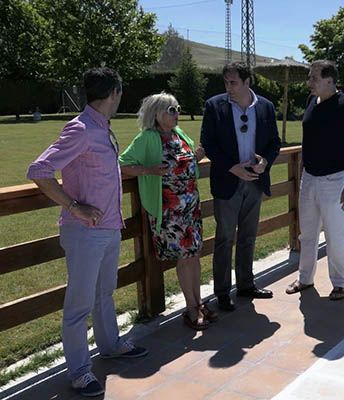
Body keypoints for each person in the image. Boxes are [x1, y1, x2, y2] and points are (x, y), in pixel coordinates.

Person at [26, 67, 148, 397]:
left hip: (108, 228)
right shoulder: (80, 129)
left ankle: (110, 345)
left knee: (104, 292)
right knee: (79, 305)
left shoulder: (102, 128)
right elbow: (39, 170)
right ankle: (80, 371)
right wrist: (73, 206)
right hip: (84, 232)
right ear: (114, 93)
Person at [119, 93, 215, 330]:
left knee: (194, 255)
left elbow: (184, 163)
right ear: (156, 114)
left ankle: (198, 302)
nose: (176, 113)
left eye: (177, 108)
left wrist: (197, 157)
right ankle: (191, 308)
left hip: (190, 207)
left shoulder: (178, 134)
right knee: (184, 257)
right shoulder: (147, 138)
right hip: (169, 210)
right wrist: (148, 170)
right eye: (171, 110)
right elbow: (121, 164)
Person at [200, 62, 281, 311]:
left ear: (247, 82)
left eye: (233, 82)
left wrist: (265, 162)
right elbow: (208, 143)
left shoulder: (266, 106)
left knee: (248, 236)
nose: (228, 87)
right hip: (228, 181)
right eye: (226, 82)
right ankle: (222, 292)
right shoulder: (214, 105)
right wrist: (231, 167)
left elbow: (274, 142)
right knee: (225, 238)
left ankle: (246, 285)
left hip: (255, 182)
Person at [285, 60, 344, 301]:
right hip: (309, 178)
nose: (309, 82)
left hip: (335, 181)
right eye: (310, 77)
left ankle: (339, 284)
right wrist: (303, 173)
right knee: (307, 235)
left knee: (335, 236)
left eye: (314, 78)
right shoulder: (311, 101)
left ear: (329, 80)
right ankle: (305, 278)